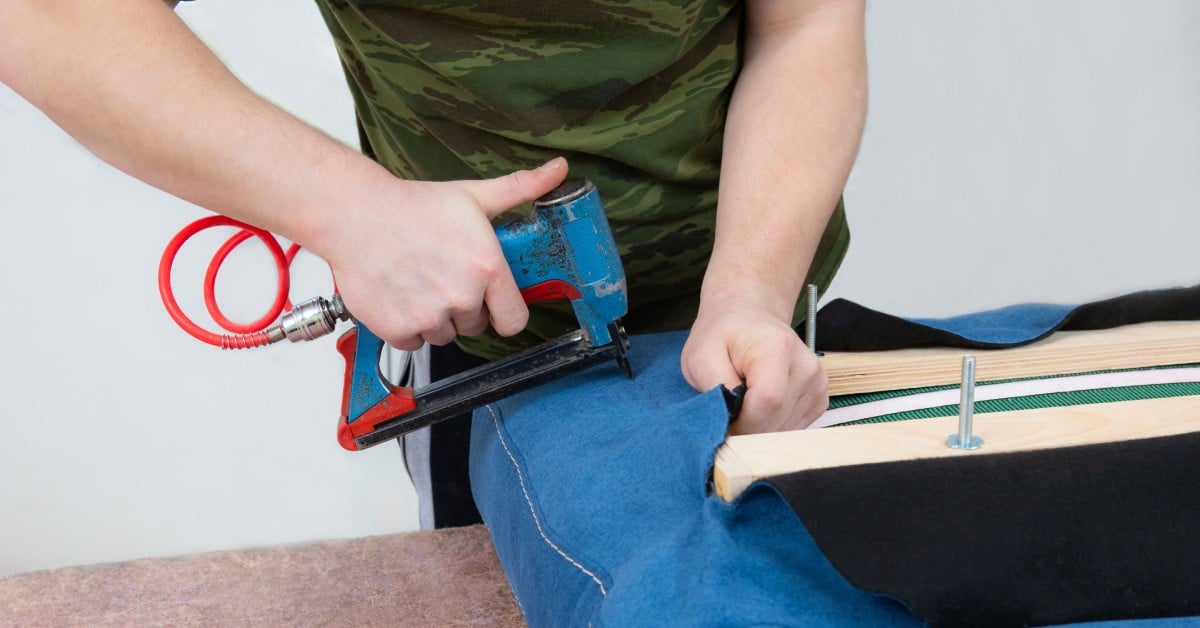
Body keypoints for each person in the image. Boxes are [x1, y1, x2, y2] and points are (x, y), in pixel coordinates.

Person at [0, 0, 866, 527]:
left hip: (764, 313)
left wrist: (752, 286)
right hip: (476, 342)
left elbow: (807, 23)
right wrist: (350, 210)